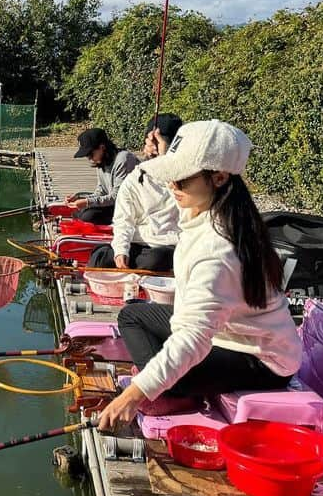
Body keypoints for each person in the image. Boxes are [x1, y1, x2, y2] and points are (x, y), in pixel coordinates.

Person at [97, 119, 302, 431]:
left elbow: (194, 339)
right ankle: (166, 384)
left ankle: (172, 394)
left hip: (261, 360)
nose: (171, 187)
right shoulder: (210, 206)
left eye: (180, 181)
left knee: (172, 369)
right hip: (226, 333)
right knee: (133, 316)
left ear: (218, 177)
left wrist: (134, 395)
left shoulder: (219, 248)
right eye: (170, 178)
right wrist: (161, 150)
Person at [86, 114, 182, 272]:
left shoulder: (186, 177)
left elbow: (186, 209)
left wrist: (166, 162)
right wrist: (121, 251)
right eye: (152, 142)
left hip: (168, 245)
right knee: (100, 258)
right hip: (139, 243)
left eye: (161, 142)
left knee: (156, 260)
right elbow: (123, 220)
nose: (155, 148)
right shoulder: (135, 178)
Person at [67, 128, 138, 225]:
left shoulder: (123, 160)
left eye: (90, 154)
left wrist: (87, 202)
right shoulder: (101, 161)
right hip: (116, 204)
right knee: (78, 212)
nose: (90, 159)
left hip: (131, 207)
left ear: (102, 147)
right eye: (87, 156)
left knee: (88, 216)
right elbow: (101, 191)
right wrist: (80, 198)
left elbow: (117, 197)